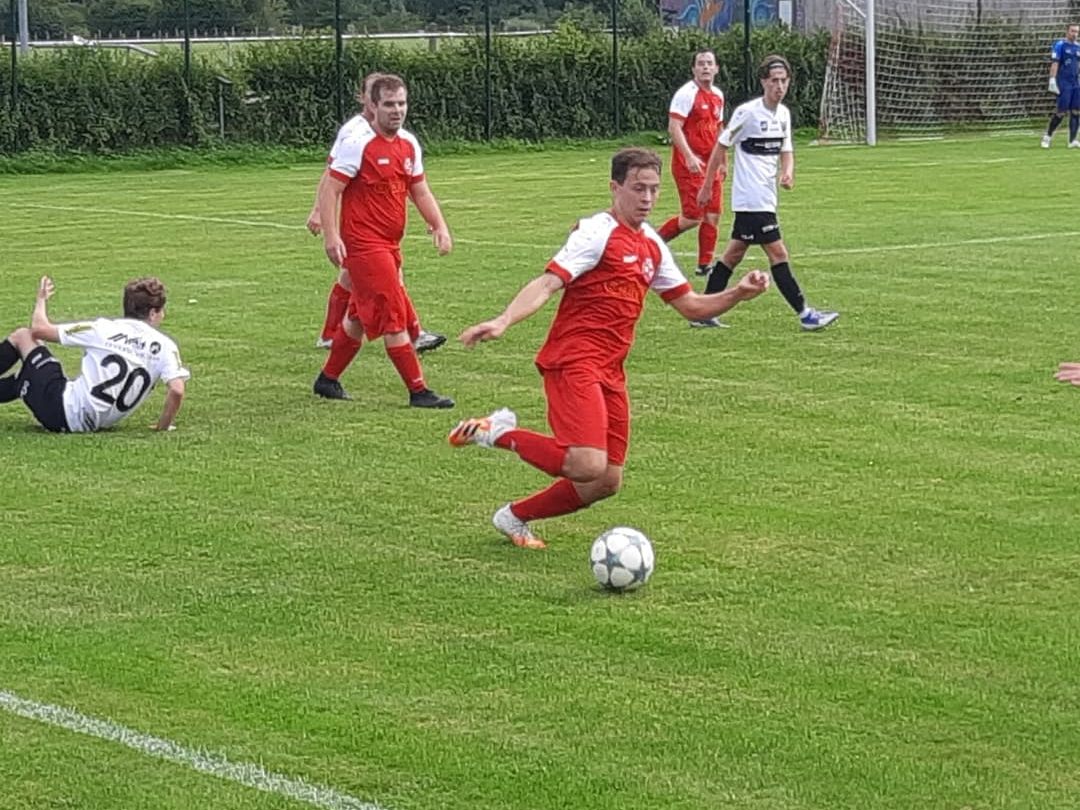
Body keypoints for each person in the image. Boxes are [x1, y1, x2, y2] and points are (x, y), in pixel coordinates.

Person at [447, 147, 769, 549]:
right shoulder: (596, 233)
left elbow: (691, 306)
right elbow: (548, 282)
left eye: (654, 190)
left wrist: (738, 293)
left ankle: (514, 517)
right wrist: (503, 319)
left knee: (605, 480)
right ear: (615, 188)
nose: (648, 199)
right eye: (639, 189)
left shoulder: (652, 244)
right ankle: (496, 432)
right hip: (573, 360)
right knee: (586, 463)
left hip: (611, 370)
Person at [313, 73, 455, 408]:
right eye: (389, 104)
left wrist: (439, 224)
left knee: (359, 319)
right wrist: (332, 236)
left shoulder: (408, 144)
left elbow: (418, 188)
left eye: (402, 103)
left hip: (391, 243)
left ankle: (327, 380)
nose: (397, 110)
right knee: (392, 316)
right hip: (364, 244)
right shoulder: (358, 142)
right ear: (372, 106)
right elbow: (330, 188)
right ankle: (418, 391)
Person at [697, 54, 839, 331]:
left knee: (733, 254)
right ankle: (805, 314)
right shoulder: (747, 113)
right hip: (752, 199)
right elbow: (721, 146)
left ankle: (703, 309)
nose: (779, 86)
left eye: (783, 81)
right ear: (763, 81)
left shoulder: (783, 114)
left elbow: (786, 151)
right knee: (778, 253)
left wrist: (788, 172)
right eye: (774, 80)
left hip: (766, 198)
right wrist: (706, 185)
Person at [0, 276, 189, 433]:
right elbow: (177, 389)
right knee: (24, 379)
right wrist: (162, 426)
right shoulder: (165, 346)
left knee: (23, 336)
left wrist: (41, 299)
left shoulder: (102, 329)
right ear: (154, 313)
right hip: (88, 423)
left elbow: (39, 330)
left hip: (60, 408)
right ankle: (21, 384)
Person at [654, 50, 726, 287]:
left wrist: (722, 160)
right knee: (693, 217)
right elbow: (674, 127)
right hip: (690, 166)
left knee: (713, 214)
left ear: (716, 68)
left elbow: (718, 130)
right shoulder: (686, 94)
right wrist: (689, 156)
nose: (705, 67)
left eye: (709, 63)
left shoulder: (717, 95)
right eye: (700, 64)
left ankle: (705, 264)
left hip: (711, 164)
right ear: (694, 69)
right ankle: (652, 243)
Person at [1041, 23, 1080, 149]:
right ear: (1067, 32)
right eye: (1072, 31)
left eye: (1077, 32)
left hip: (1076, 82)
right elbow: (1055, 63)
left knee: (1076, 111)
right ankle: (1047, 136)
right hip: (1063, 82)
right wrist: (1052, 80)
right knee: (1061, 111)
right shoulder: (1060, 45)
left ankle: (1072, 140)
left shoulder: (1078, 47)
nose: (1075, 34)